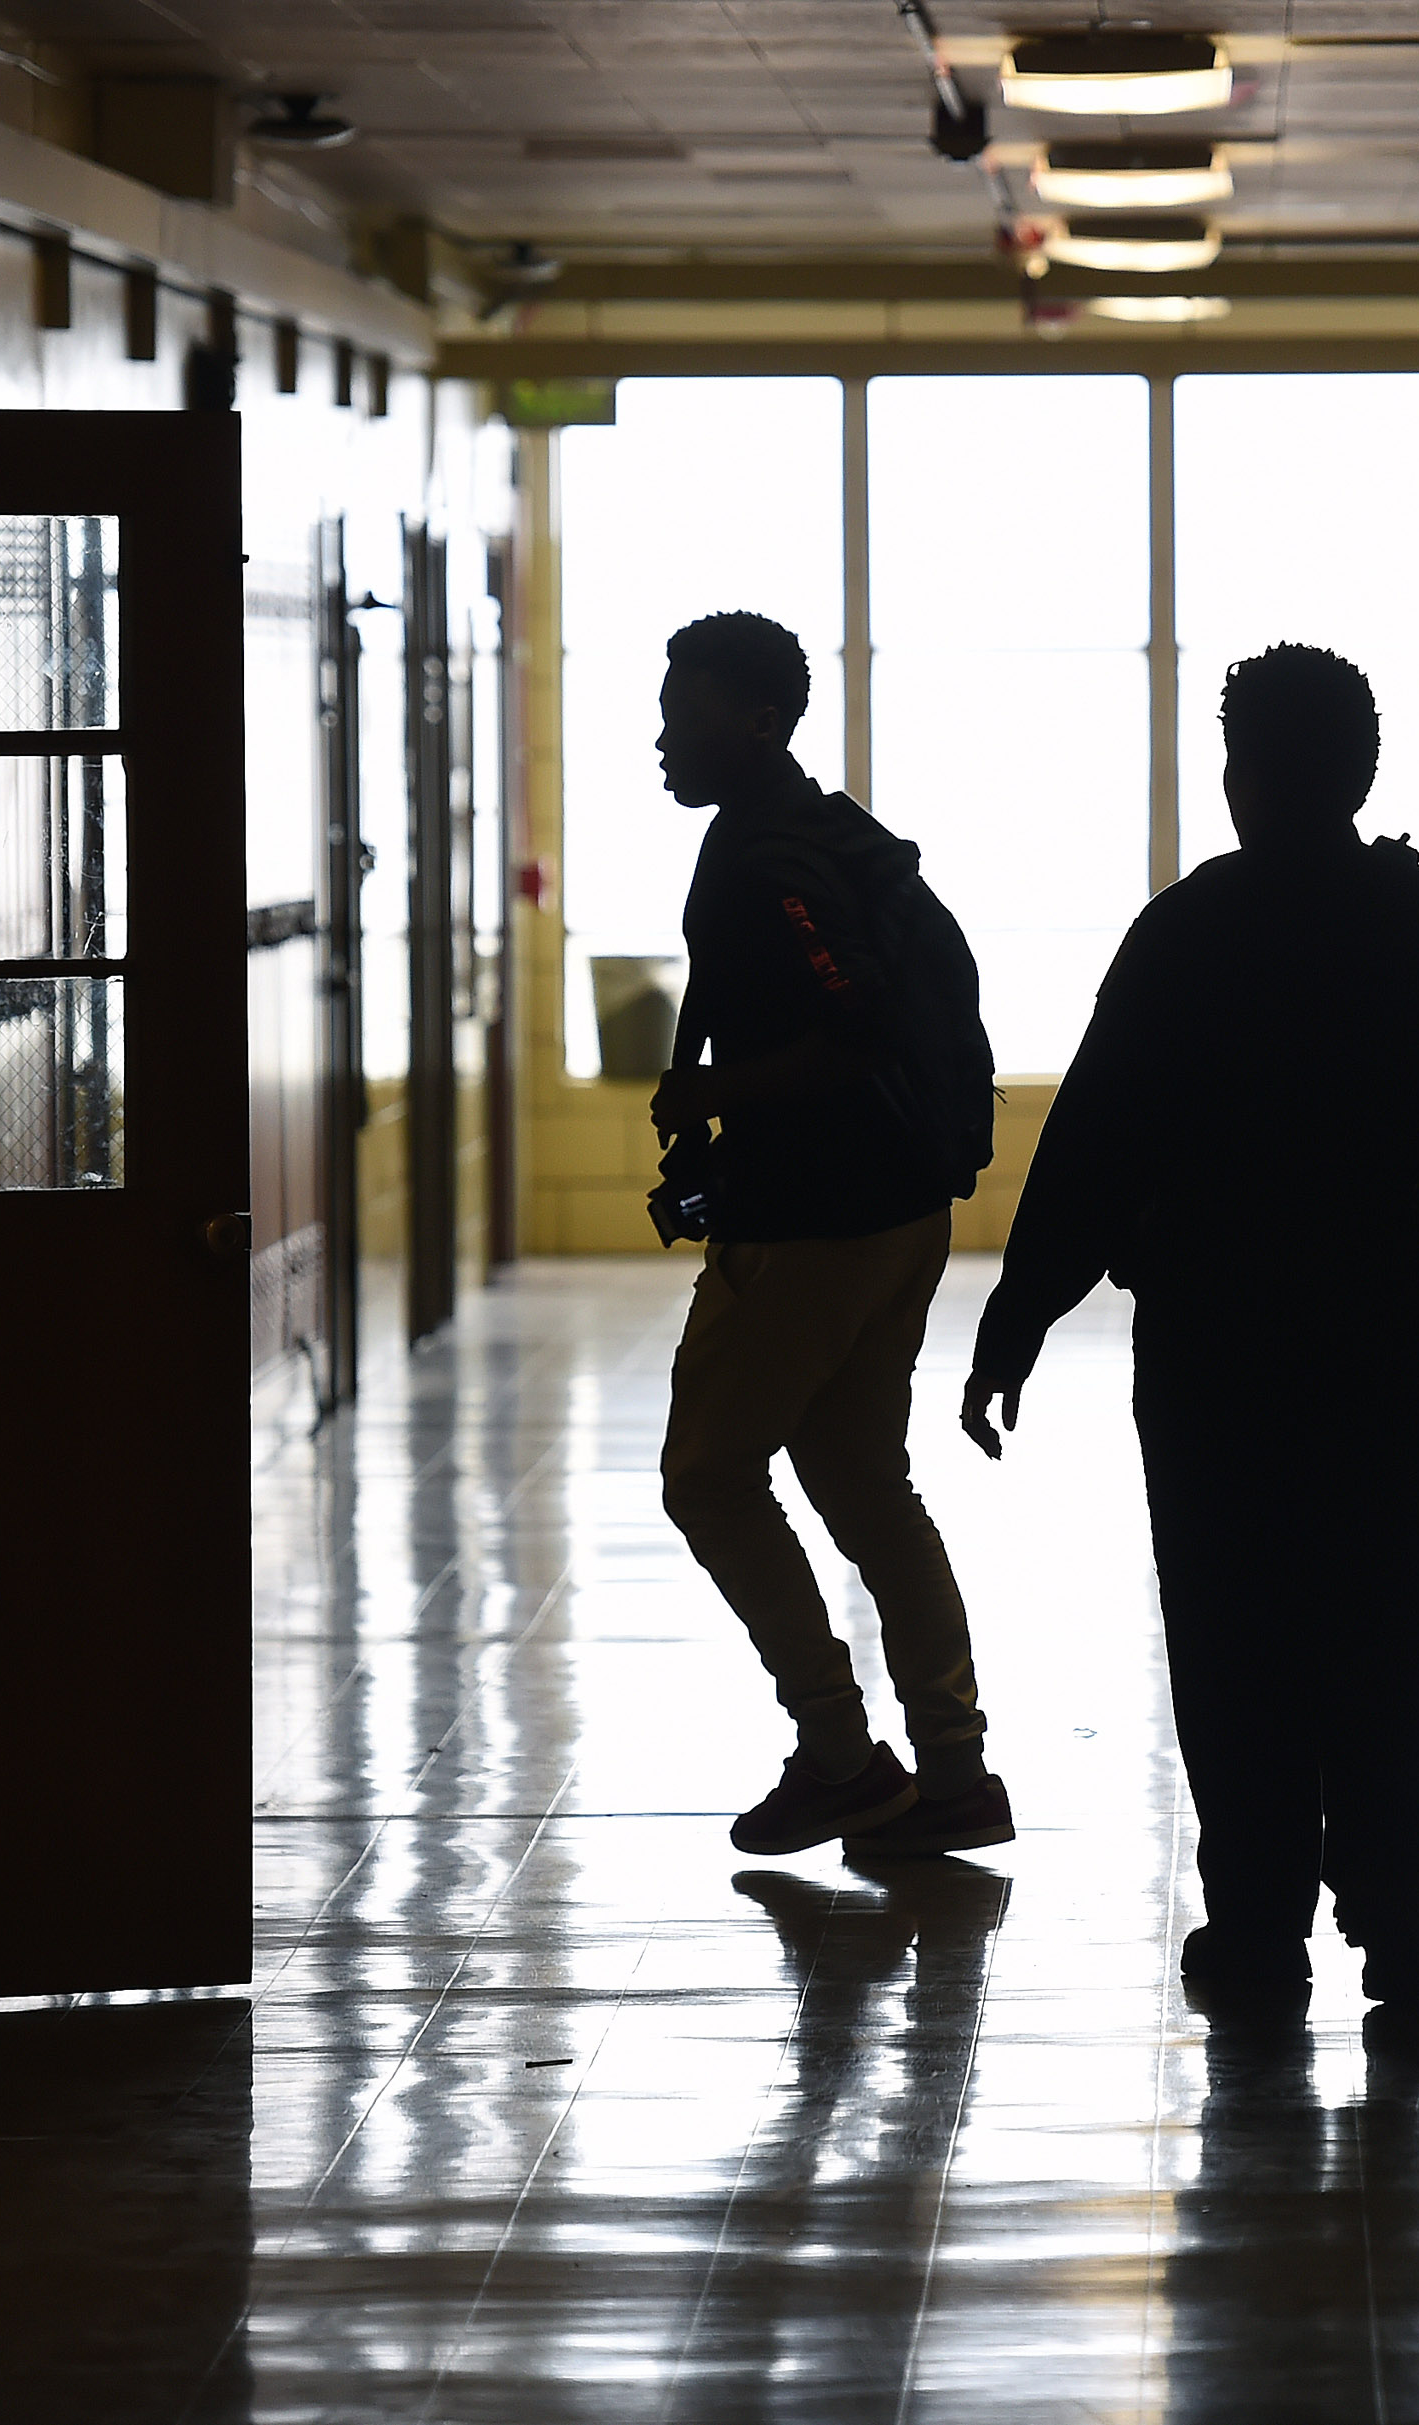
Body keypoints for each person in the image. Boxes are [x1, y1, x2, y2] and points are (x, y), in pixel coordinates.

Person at [961, 644, 1419, 2008]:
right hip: (1412, 1358)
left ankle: (1261, 1928)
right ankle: (1396, 1916)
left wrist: (1021, 1310)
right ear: (1362, 773)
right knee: (1395, 1617)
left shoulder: (1191, 932)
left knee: (1234, 1633)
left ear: (1237, 774)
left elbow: (1098, 1142)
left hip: (1221, 1357)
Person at [647, 610, 1011, 1863]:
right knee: (862, 1478)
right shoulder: (826, 833)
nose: (659, 739)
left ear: (756, 722)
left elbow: (848, 1027)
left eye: (681, 714)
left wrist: (712, 1096)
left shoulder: (772, 862)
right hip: (901, 1207)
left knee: (707, 1476)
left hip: (814, 1220)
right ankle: (955, 1772)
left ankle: (842, 1758)